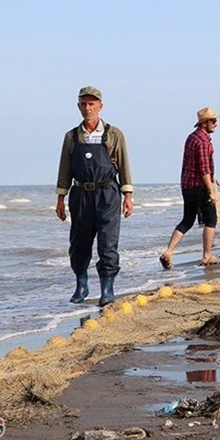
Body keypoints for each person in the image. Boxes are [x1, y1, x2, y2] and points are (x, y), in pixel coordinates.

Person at [55, 85, 133, 307]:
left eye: (92, 104)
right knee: (79, 242)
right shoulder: (71, 137)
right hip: (80, 195)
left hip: (108, 194)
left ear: (100, 106)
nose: (87, 108)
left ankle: (107, 289)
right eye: (83, 104)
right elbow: (64, 169)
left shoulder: (114, 134)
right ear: (78, 106)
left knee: (108, 243)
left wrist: (127, 195)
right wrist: (61, 197)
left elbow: (124, 164)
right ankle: (81, 283)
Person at [159, 107, 220, 271]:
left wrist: (213, 178)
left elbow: (195, 164)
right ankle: (207, 255)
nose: (216, 124)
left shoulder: (192, 137)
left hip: (187, 186)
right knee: (211, 220)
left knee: (187, 220)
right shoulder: (202, 141)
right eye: (213, 121)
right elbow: (203, 168)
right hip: (199, 188)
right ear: (204, 123)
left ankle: (168, 252)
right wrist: (211, 191)